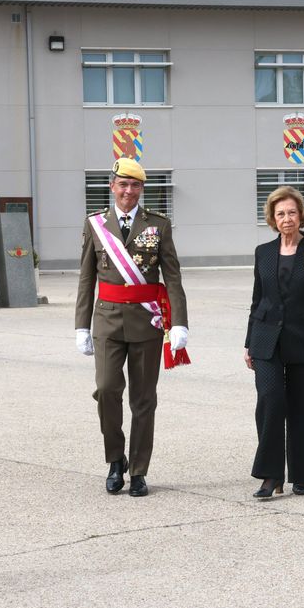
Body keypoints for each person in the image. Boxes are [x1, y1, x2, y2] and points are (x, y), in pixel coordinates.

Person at [75, 158, 189, 497]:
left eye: (135, 185)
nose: (129, 190)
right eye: (123, 184)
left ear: (141, 189)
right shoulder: (95, 224)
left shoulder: (159, 225)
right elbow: (86, 278)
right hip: (107, 321)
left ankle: (138, 471)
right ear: (112, 186)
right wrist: (81, 325)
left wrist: (180, 321)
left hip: (146, 322)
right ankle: (115, 459)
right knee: (107, 390)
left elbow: (172, 275)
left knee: (143, 400)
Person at [244, 186, 304, 498]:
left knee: (301, 408)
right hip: (266, 340)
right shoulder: (263, 253)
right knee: (270, 401)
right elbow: (257, 300)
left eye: (292, 213)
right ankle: (271, 476)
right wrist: (248, 342)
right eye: (281, 213)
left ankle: (299, 474)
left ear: (301, 216)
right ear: (272, 217)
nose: (287, 219)